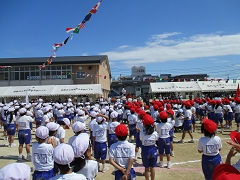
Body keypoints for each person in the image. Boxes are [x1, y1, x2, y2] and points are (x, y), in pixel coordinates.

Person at [140, 115, 158, 180]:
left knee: (146, 168)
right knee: (152, 167)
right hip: (153, 149)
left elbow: (141, 140)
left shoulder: (142, 133)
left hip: (145, 150)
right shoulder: (155, 133)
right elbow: (156, 140)